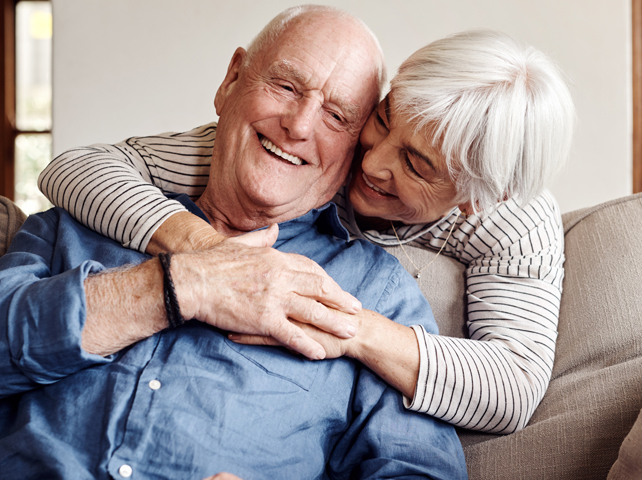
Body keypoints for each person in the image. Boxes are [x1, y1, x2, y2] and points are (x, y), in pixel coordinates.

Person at [0, 6, 467, 479]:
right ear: (231, 79)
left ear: (354, 146)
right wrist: (177, 284)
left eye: (336, 116)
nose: (298, 125)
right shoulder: (86, 219)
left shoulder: (373, 290)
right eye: (285, 86)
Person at [39, 27, 576, 435]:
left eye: (415, 165)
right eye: (385, 119)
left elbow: (514, 385)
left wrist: (349, 328)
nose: (372, 163)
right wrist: (210, 253)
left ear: (478, 198)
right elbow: (76, 168)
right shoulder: (316, 148)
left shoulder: (513, 223)